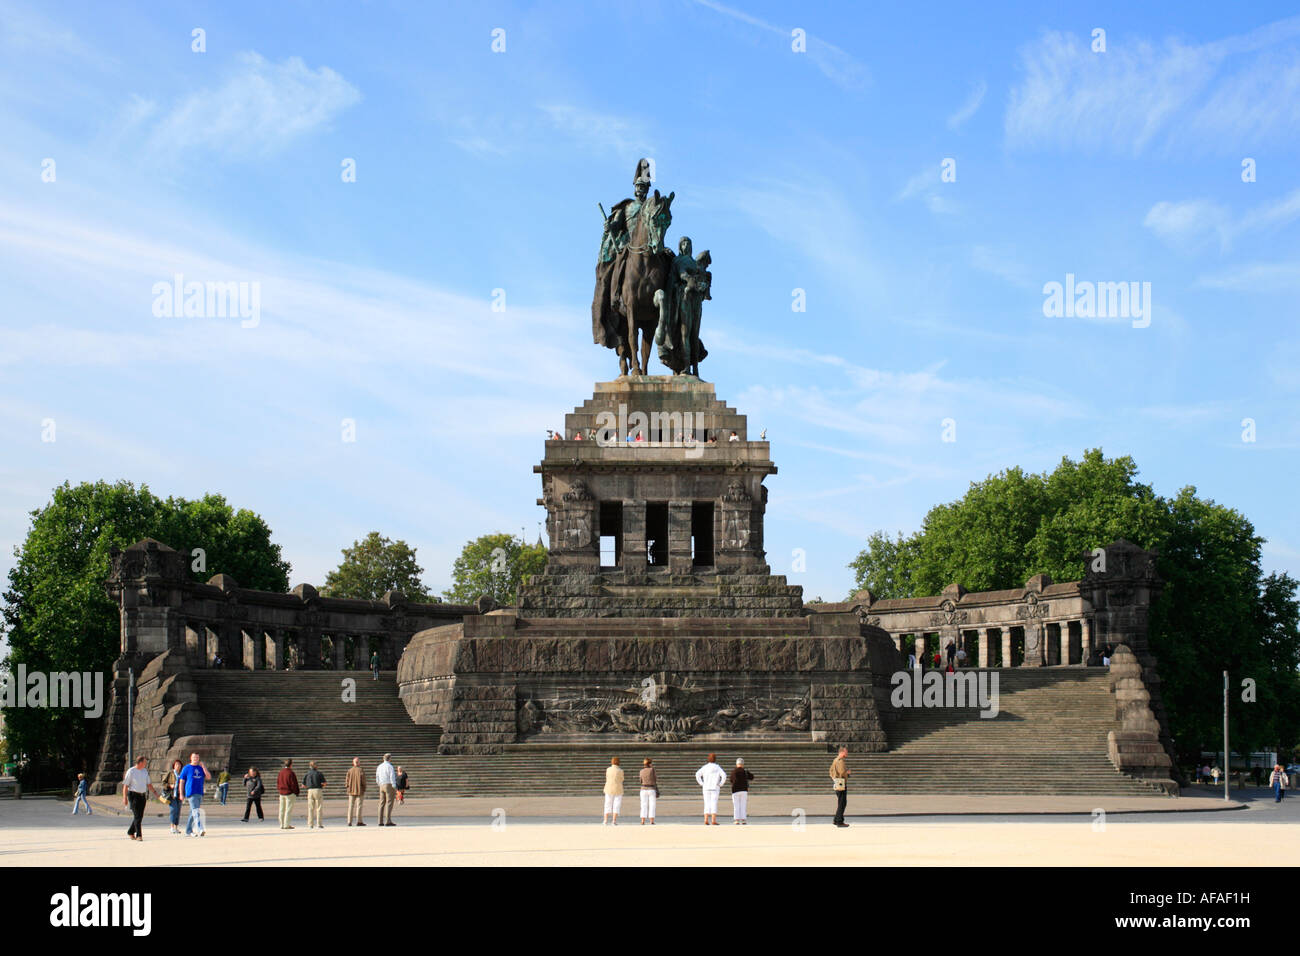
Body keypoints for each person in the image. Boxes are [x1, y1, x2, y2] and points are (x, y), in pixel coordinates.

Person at [122, 756, 158, 841]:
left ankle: (130, 831)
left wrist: (155, 793)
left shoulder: (144, 771)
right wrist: (125, 797)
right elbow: (125, 785)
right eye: (145, 762)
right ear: (140, 762)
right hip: (133, 795)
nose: (146, 764)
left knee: (139, 816)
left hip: (142, 795)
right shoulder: (131, 771)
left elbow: (148, 784)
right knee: (137, 815)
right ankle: (139, 835)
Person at [178, 752, 209, 837]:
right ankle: (200, 828)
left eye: (197, 758)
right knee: (196, 811)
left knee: (193, 812)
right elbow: (181, 781)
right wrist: (181, 793)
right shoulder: (186, 768)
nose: (196, 759)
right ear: (191, 758)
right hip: (191, 792)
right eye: (194, 757)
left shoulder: (200, 768)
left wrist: (204, 767)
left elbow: (208, 777)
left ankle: (188, 831)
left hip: (199, 792)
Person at [695, 753, 727, 825]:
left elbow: (697, 774)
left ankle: (706, 819)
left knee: (706, 803)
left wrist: (702, 783)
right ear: (715, 759)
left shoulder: (705, 767)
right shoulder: (717, 767)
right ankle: (713, 820)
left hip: (706, 787)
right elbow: (724, 775)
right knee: (714, 803)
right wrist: (720, 784)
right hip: (714, 788)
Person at [830, 746, 850, 828]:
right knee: (842, 803)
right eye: (846, 752)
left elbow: (830, 770)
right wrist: (847, 773)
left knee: (840, 803)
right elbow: (842, 773)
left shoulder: (835, 760)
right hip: (841, 784)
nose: (847, 753)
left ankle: (836, 819)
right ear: (841, 752)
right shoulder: (840, 761)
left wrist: (834, 778)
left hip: (837, 783)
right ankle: (839, 821)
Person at [277, 758, 300, 829]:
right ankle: (286, 824)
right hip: (289, 793)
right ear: (291, 764)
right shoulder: (291, 773)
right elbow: (293, 784)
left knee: (281, 809)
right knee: (288, 809)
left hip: (281, 793)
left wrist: (279, 789)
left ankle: (281, 824)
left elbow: (278, 782)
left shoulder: (281, 772)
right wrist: (296, 792)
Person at [303, 760, 326, 828]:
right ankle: (319, 824)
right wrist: (322, 786)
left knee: (310, 808)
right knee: (319, 807)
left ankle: (310, 824)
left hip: (310, 790)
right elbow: (324, 783)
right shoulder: (319, 773)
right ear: (315, 766)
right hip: (318, 790)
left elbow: (303, 785)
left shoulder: (307, 774)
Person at [730, 758, 754, 825]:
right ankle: (743, 819)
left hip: (735, 790)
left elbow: (731, 780)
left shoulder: (733, 771)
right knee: (743, 805)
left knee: (736, 805)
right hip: (744, 790)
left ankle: (736, 820)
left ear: (736, 764)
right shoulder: (745, 771)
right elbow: (752, 777)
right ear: (743, 764)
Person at [163, 758, 184, 834]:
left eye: (179, 765)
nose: (178, 766)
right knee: (173, 810)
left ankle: (176, 827)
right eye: (176, 765)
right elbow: (163, 782)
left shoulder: (182, 774)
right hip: (172, 795)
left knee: (178, 811)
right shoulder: (170, 773)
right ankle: (172, 827)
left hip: (179, 795)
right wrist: (169, 785)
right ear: (174, 766)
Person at [376, 753, 397, 826]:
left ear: (383, 758)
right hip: (388, 785)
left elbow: (377, 777)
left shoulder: (379, 766)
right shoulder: (390, 766)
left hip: (381, 785)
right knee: (389, 802)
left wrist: (379, 784)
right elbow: (392, 776)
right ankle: (388, 820)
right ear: (390, 759)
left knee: (381, 803)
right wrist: (394, 786)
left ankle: (380, 821)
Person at [602, 757, 624, 825]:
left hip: (609, 788)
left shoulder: (608, 769)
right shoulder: (620, 770)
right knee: (616, 804)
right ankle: (614, 821)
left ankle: (605, 820)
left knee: (607, 804)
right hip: (618, 788)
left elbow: (607, 777)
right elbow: (622, 779)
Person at [345, 757, 367, 826]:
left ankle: (349, 821)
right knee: (359, 806)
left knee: (350, 806)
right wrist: (364, 788)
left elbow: (346, 781)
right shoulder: (361, 770)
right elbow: (363, 781)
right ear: (359, 762)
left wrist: (348, 787)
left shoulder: (349, 770)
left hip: (351, 790)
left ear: (353, 763)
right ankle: (359, 821)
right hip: (359, 790)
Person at [639, 758, 658, 825]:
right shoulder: (652, 770)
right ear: (650, 763)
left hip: (643, 789)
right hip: (651, 788)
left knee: (643, 805)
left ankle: (643, 820)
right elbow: (655, 779)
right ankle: (651, 820)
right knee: (652, 805)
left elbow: (640, 781)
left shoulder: (641, 771)